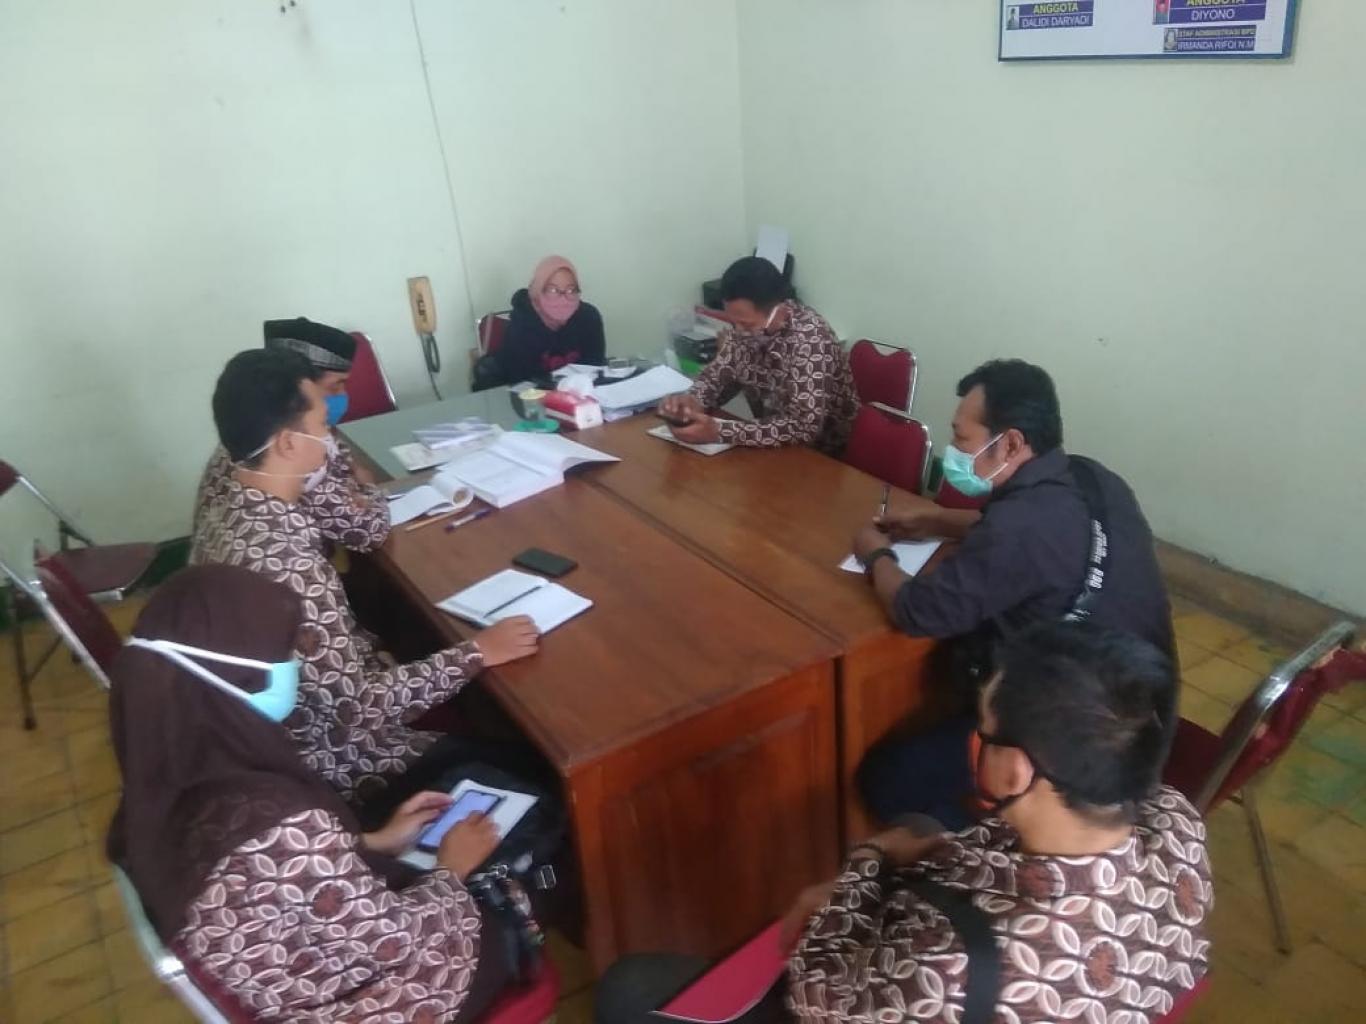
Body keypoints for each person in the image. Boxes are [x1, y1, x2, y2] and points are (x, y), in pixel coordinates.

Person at [595, 622, 1212, 1024]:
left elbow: (818, 994)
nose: (972, 740)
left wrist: (863, 869)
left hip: (921, 991)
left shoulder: (947, 971)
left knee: (629, 986)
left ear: (1015, 771)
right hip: (1087, 981)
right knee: (916, 822)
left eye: (982, 729)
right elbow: (986, 852)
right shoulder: (1177, 819)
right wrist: (895, 861)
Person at [107, 565, 523, 1021]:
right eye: (282, 655)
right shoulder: (283, 826)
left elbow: (269, 885)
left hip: (299, 971)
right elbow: (395, 941)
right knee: (520, 877)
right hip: (373, 1000)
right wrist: (451, 870)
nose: (294, 667)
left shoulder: (163, 784)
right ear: (237, 679)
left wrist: (373, 842)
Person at [191, 349, 540, 804]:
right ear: (288, 444)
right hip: (334, 764)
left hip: (268, 728)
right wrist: (477, 653)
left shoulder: (229, 505)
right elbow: (358, 711)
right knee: (530, 763)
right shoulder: (290, 567)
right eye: (321, 426)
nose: (329, 440)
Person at [852, 359, 1174, 828]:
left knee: (885, 778)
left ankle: (987, 837)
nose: (954, 452)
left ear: (1011, 443)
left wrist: (875, 554)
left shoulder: (1019, 529)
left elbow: (917, 610)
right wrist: (935, 520)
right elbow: (1028, 533)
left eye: (962, 439)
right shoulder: (1091, 477)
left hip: (1085, 748)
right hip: (1146, 708)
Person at [193, 316, 389, 552]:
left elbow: (338, 457)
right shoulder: (294, 457)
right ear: (305, 388)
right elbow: (368, 532)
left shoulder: (254, 426)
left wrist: (349, 484)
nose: (342, 395)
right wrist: (369, 488)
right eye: (335, 386)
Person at [658, 256, 858, 456]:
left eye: (746, 325)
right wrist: (692, 402)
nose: (738, 332)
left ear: (780, 312)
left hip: (827, 456)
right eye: (733, 323)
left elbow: (803, 427)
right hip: (772, 448)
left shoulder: (811, 341)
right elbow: (718, 377)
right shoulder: (745, 331)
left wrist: (721, 431)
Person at [477, 255, 606, 388]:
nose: (563, 299)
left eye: (571, 290)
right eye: (552, 290)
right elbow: (522, 382)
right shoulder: (521, 324)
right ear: (538, 291)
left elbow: (594, 369)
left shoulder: (589, 317)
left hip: (580, 394)